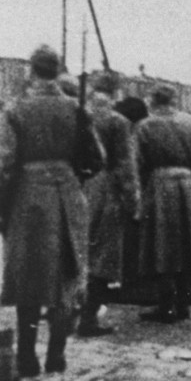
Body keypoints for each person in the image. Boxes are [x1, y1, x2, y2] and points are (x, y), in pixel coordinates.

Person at [0, 46, 89, 377]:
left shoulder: (15, 109)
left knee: (27, 276)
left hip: (28, 198)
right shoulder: (76, 108)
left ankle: (27, 358)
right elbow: (95, 156)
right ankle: (56, 356)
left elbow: (3, 164)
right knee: (66, 276)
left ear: (31, 70)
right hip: (68, 195)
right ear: (58, 71)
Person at [134, 85, 191, 323]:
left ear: (153, 101)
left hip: (159, 185)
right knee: (186, 244)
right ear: (174, 101)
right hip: (188, 186)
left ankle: (166, 304)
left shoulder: (145, 126)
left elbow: (135, 163)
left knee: (162, 244)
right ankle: (183, 303)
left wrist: (136, 196)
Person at [79, 71, 141, 337]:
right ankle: (89, 319)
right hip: (105, 189)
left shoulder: (77, 115)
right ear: (115, 93)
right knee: (103, 255)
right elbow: (126, 165)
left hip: (74, 187)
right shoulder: (117, 121)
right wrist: (132, 200)